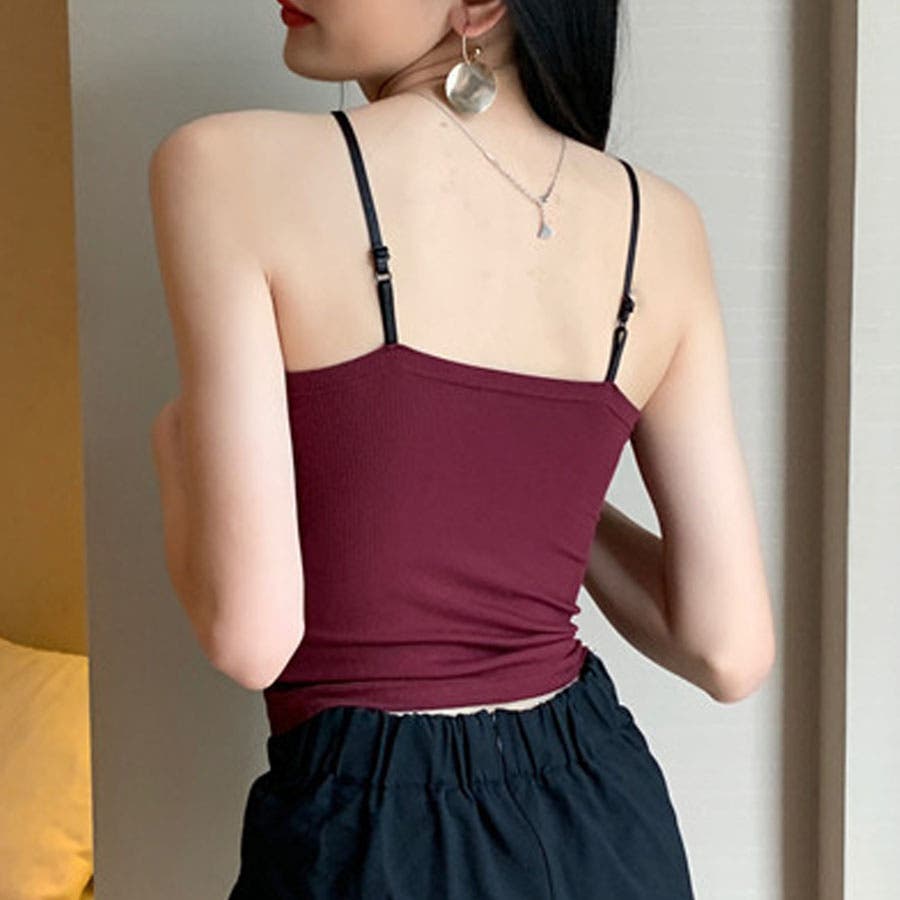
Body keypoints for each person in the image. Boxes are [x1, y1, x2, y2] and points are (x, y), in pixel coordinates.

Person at [148, 1, 776, 897]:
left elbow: (252, 639)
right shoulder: (661, 223)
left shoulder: (223, 165)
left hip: (380, 840)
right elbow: (728, 648)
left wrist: (173, 452)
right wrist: (538, 498)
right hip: (604, 816)